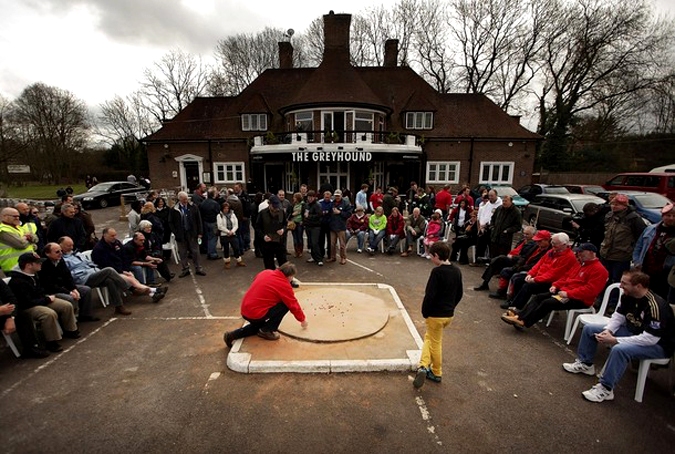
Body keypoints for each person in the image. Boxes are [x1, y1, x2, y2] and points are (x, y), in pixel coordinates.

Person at [562, 270, 675, 403]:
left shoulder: (656, 306)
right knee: (590, 329)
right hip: (634, 333)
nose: (620, 286)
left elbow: (650, 338)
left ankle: (606, 388)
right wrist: (608, 330)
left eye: (624, 283)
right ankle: (586, 364)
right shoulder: (628, 296)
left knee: (620, 350)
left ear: (638, 286)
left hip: (658, 345)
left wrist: (615, 340)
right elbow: (618, 316)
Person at [500, 243, 608, 329]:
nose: (579, 254)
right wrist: (556, 285)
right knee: (539, 297)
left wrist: (568, 293)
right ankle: (520, 316)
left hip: (580, 299)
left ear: (591, 253)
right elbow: (566, 277)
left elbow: (591, 290)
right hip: (565, 292)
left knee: (547, 303)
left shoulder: (600, 270)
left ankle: (525, 322)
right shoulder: (580, 264)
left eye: (581, 252)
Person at [413, 242, 463, 389]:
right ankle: (423, 365)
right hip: (448, 314)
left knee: (434, 343)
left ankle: (436, 372)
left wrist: (425, 311)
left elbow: (430, 295)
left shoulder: (437, 272)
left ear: (436, 256)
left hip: (435, 315)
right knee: (430, 339)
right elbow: (459, 293)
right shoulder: (456, 271)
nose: (429, 258)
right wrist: (451, 307)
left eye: (430, 256)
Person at [223, 262, 308, 347]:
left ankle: (232, 335)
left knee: (257, 327)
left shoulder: (266, 272)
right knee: (285, 305)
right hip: (256, 313)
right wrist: (302, 319)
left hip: (245, 309)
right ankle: (267, 330)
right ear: (289, 276)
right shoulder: (284, 285)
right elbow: (293, 304)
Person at [9, 252, 80, 353]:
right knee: (48, 314)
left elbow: (40, 291)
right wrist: (46, 299)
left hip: (40, 300)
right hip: (28, 307)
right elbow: (27, 302)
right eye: (37, 262)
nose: (40, 264)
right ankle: (51, 341)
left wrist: (46, 298)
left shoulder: (33, 275)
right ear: (28, 265)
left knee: (66, 305)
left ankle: (70, 329)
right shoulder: (17, 282)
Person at [59, 236, 133, 315]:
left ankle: (119, 306)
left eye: (72, 245)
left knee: (109, 281)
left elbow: (90, 263)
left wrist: (96, 269)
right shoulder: (63, 260)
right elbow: (69, 274)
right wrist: (85, 271)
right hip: (83, 278)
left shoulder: (77, 253)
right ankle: (129, 287)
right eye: (68, 245)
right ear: (61, 246)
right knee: (109, 270)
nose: (71, 247)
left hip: (93, 273)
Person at [92, 228, 166, 303]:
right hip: (110, 271)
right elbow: (106, 264)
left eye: (115, 235)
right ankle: (155, 290)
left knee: (132, 278)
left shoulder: (116, 243)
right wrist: (122, 271)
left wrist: (126, 269)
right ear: (105, 235)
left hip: (121, 268)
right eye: (112, 236)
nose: (114, 237)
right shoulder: (99, 249)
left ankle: (153, 293)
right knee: (131, 280)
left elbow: (124, 257)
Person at [509, 232, 578, 310]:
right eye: (552, 242)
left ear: (564, 244)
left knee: (528, 286)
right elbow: (539, 263)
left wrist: (535, 279)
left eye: (555, 243)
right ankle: (512, 302)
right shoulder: (552, 251)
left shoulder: (569, 257)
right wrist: (530, 274)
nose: (552, 245)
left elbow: (554, 275)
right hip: (540, 277)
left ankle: (516, 308)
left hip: (550, 283)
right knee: (518, 279)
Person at [599, 193, 645, 299]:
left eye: (617, 204)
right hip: (605, 253)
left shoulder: (634, 219)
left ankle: (613, 302)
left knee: (617, 280)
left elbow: (641, 237)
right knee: (604, 278)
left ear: (625, 206)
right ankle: (601, 299)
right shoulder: (609, 215)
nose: (614, 206)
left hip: (621, 256)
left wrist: (634, 254)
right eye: (613, 204)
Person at [39, 242, 99, 322]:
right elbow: (50, 286)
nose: (60, 253)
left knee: (86, 290)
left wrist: (73, 289)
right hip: (52, 291)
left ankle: (85, 315)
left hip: (63, 286)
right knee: (70, 298)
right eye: (57, 252)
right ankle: (71, 322)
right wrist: (69, 292)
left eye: (61, 251)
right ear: (47, 254)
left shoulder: (60, 260)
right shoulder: (43, 266)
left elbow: (67, 276)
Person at [632, 203, 675, 300]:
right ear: (663, 216)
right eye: (668, 215)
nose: (671, 218)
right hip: (647, 270)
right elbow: (639, 246)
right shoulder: (651, 229)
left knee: (661, 299)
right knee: (644, 296)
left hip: (666, 274)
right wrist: (637, 261)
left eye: (674, 216)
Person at [474, 225, 536, 292]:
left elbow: (524, 257)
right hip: (511, 257)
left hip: (518, 262)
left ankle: (488, 260)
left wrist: (513, 257)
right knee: (494, 262)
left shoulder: (533, 245)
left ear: (533, 235)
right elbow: (515, 250)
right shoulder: (522, 241)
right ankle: (485, 283)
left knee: (500, 258)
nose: (525, 235)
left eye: (527, 234)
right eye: (524, 233)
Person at [168, 191, 205, 277]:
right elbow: (170, 222)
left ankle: (198, 268)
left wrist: (200, 232)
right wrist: (176, 232)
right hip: (181, 234)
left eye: (186, 199)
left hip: (192, 233)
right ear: (179, 199)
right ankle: (185, 269)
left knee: (195, 251)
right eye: (184, 199)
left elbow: (198, 220)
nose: (186, 201)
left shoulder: (193, 207)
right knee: (183, 252)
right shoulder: (174, 209)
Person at [0, 207, 38, 274]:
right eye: (14, 216)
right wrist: (27, 238)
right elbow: (20, 244)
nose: (17, 218)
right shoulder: (3, 230)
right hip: (13, 268)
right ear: (4, 216)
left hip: (27, 266)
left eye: (18, 216)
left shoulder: (18, 228)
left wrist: (26, 238)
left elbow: (35, 239)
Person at [256, 195, 288, 271]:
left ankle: (287, 281)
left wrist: (283, 230)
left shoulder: (281, 212)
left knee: (284, 264)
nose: (275, 208)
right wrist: (263, 236)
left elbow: (285, 224)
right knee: (269, 265)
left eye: (277, 206)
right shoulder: (262, 213)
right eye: (274, 206)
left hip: (280, 242)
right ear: (269, 204)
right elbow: (257, 228)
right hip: (267, 244)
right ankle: (271, 281)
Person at [474, 189, 502, 263]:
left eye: (492, 196)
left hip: (492, 229)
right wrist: (481, 225)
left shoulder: (500, 205)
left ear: (496, 195)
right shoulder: (488, 203)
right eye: (489, 196)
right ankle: (478, 261)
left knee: (492, 247)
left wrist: (487, 225)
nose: (490, 197)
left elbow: (495, 218)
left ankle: (491, 262)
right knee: (480, 245)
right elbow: (483, 214)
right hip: (483, 228)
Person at [217, 202, 246, 269]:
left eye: (227, 208)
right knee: (226, 249)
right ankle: (227, 262)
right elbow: (220, 226)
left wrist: (232, 231)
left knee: (236, 247)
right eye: (225, 208)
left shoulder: (233, 215)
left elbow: (236, 224)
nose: (226, 210)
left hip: (233, 234)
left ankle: (239, 261)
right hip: (224, 235)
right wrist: (228, 231)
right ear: (222, 209)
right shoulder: (219, 216)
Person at [327, 189, 352, 265]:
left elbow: (349, 214)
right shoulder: (332, 203)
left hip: (341, 226)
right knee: (332, 244)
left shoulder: (346, 203)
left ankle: (343, 258)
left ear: (341, 195)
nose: (337, 197)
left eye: (338, 196)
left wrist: (340, 212)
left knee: (342, 244)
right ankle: (333, 257)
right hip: (332, 226)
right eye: (336, 196)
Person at [199, 189, 222, 260]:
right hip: (213, 222)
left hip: (205, 222)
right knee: (213, 238)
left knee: (208, 238)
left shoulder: (203, 203)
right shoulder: (214, 203)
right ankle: (212, 254)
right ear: (213, 195)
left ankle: (209, 252)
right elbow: (218, 212)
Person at [303, 190, 324, 266]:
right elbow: (304, 214)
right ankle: (313, 256)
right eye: (309, 197)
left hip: (316, 226)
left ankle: (319, 259)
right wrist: (305, 221)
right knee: (310, 243)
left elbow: (319, 215)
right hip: (308, 226)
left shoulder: (317, 205)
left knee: (315, 242)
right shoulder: (306, 205)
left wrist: (309, 216)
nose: (310, 198)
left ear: (314, 197)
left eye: (312, 197)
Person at [289, 192, 305, 258]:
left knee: (299, 238)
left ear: (298, 198)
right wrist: (292, 214)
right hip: (293, 222)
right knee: (295, 238)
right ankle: (296, 251)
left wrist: (303, 221)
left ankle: (300, 251)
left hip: (300, 223)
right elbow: (290, 213)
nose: (293, 198)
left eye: (294, 197)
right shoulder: (292, 205)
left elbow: (304, 214)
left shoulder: (303, 205)